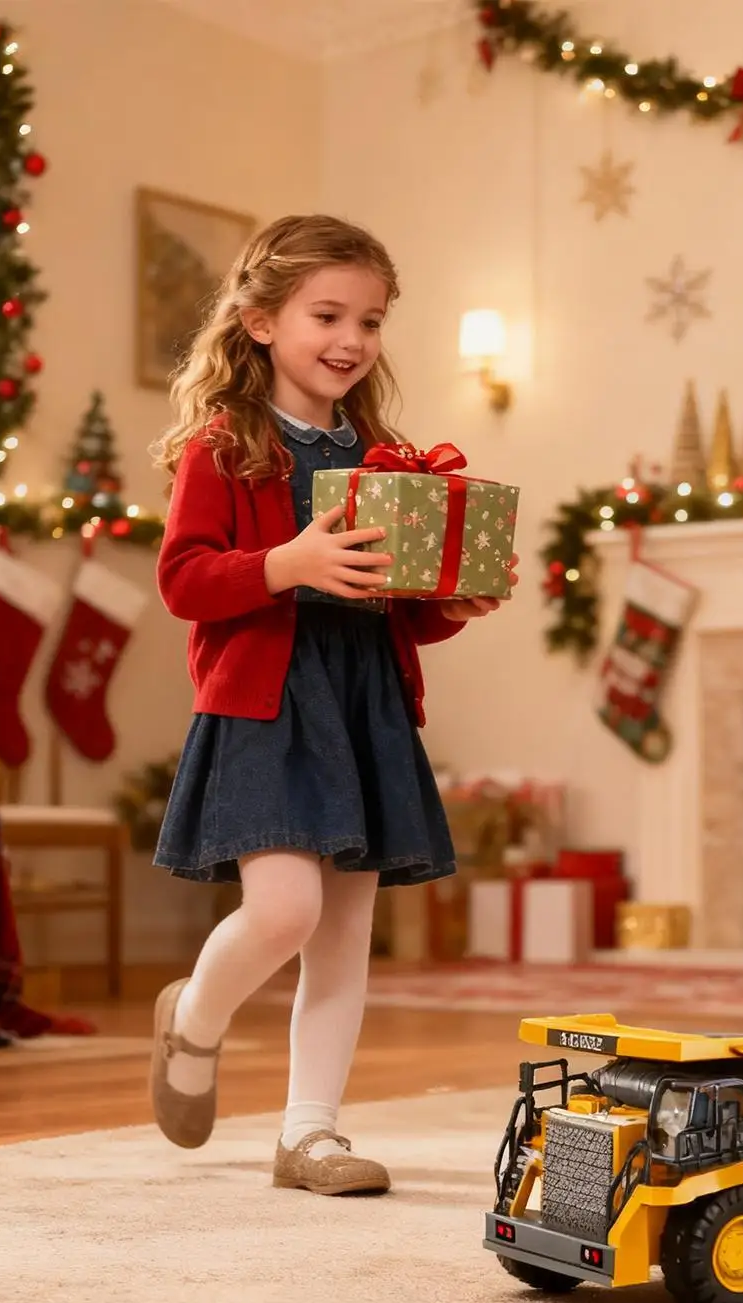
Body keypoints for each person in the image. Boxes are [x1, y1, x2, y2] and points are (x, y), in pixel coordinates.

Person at [146, 213, 515, 1196]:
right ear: (262, 321)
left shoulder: (387, 454)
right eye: (327, 314)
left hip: (363, 704)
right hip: (267, 703)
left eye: (372, 319)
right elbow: (184, 579)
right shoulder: (225, 445)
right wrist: (285, 563)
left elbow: (391, 609)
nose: (351, 338)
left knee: (346, 931)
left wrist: (450, 604)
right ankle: (193, 1017)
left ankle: (309, 1132)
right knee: (283, 911)